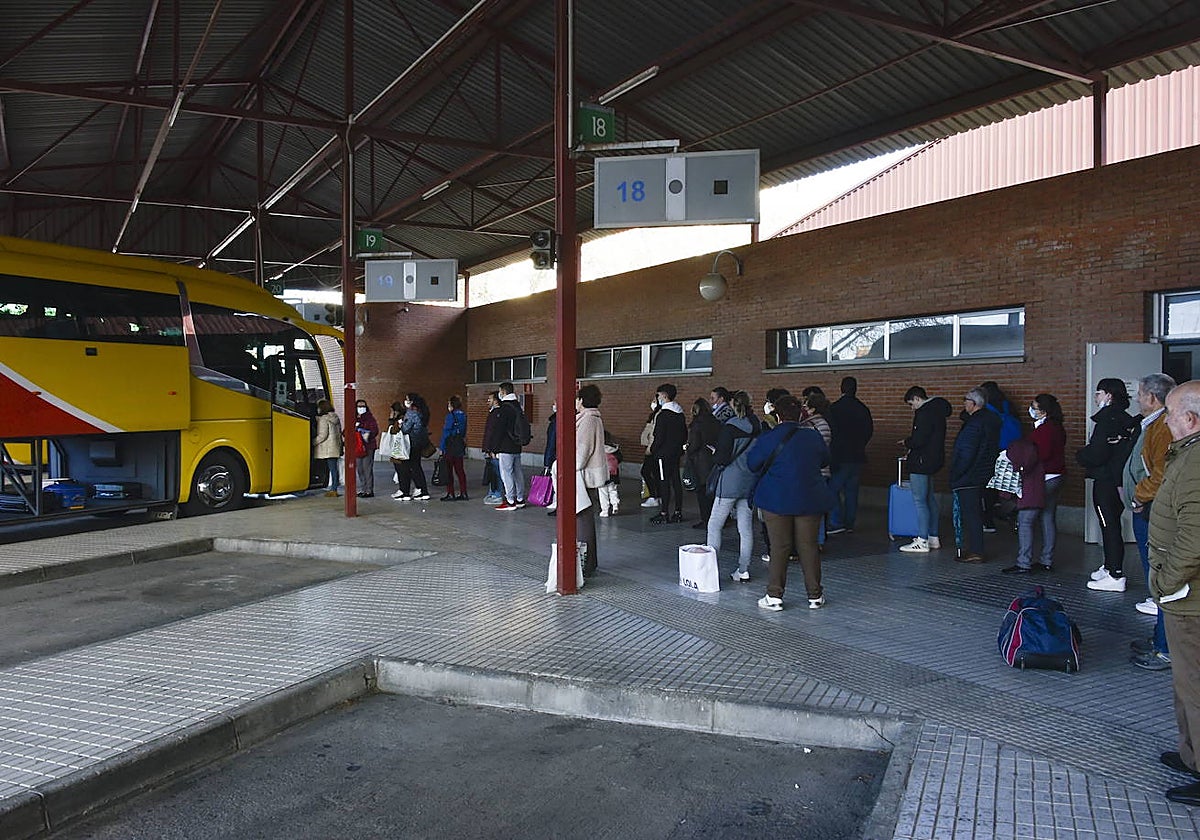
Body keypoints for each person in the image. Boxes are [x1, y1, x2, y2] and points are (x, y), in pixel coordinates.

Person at [1146, 380, 1200, 807]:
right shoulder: (1188, 454)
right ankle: (1191, 755)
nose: (1165, 420)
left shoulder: (1197, 461)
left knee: (1197, 686)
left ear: (1191, 419)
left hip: (1190, 597)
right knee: (1185, 683)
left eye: (1170, 413)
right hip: (1182, 596)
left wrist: (1167, 581)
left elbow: (1195, 537)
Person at [748, 395, 834, 612]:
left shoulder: (769, 438)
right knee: (809, 547)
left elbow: (753, 464)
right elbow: (824, 460)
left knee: (780, 547)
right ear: (800, 415)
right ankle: (815, 595)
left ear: (777, 415)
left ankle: (774, 595)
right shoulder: (813, 437)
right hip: (809, 498)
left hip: (776, 499)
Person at [1125, 373, 1176, 670]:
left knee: (1161, 578)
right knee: (1155, 580)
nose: (1137, 398)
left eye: (1141, 393)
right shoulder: (1154, 425)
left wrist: (1139, 497)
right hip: (1149, 507)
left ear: (1152, 398)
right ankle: (1161, 639)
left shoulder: (1164, 428)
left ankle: (1166, 646)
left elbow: (1160, 473)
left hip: (1153, 509)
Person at [1077, 378, 1141, 592]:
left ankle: (1115, 575)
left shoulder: (1107, 420)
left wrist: (1081, 455)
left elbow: (1098, 453)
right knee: (1111, 524)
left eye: (1098, 392)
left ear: (1109, 395)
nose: (1096, 397)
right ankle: (1109, 566)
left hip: (1106, 480)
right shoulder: (1125, 419)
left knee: (1109, 525)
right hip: (1118, 479)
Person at [1001, 394, 1066, 574]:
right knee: (1047, 518)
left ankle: (1024, 562)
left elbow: (1040, 455)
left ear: (1043, 411)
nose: (1032, 410)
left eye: (1034, 407)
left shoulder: (1044, 430)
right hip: (1057, 476)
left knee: (1026, 519)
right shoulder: (1057, 427)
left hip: (1042, 478)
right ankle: (1047, 560)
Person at [708, 390, 760, 582]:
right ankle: (743, 569)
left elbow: (722, 457)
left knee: (714, 525)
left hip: (729, 482)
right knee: (745, 528)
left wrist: (714, 453)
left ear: (732, 405)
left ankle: (709, 570)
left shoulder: (729, 427)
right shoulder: (757, 425)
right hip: (750, 481)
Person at [949, 388, 1001, 563]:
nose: (964, 403)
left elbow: (966, 452)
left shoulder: (974, 424)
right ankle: (975, 548)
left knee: (971, 513)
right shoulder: (991, 420)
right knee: (976, 512)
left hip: (970, 475)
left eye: (965, 400)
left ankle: (976, 550)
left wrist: (956, 472)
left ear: (973, 403)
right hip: (984, 471)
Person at [900, 386, 952, 553]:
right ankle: (932, 537)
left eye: (911, 404)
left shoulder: (924, 413)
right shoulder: (938, 411)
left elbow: (919, 439)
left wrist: (907, 442)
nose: (912, 408)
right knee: (930, 499)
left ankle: (922, 540)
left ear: (917, 399)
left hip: (921, 461)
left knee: (919, 500)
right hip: (933, 460)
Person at [827, 376, 873, 534]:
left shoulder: (835, 408)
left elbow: (832, 433)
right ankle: (849, 523)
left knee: (832, 489)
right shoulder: (862, 408)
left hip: (840, 457)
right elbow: (869, 431)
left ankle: (836, 521)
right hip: (858, 455)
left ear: (841, 388)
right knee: (851, 491)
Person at [979, 381, 1023, 531]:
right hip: (1012, 451)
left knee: (989, 485)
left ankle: (989, 520)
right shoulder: (1007, 405)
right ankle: (1011, 514)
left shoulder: (986, 408)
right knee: (1010, 485)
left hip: (993, 450)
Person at [575, 384, 608, 577]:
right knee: (584, 518)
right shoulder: (591, 418)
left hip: (584, 476)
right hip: (587, 475)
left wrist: (572, 465)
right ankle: (589, 560)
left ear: (582, 400)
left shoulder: (588, 420)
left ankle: (587, 562)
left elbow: (583, 449)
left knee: (583, 519)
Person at [648, 383, 687, 525]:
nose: (657, 398)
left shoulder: (663, 415)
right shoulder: (680, 413)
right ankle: (678, 511)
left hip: (663, 454)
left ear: (664, 396)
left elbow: (659, 436)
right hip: (676, 453)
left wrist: (653, 449)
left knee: (664, 482)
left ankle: (664, 512)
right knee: (676, 481)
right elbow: (684, 434)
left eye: (658, 395)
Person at [686, 398, 721, 530]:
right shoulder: (716, 422)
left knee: (702, 493)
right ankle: (715, 519)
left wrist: (688, 450)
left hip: (700, 462)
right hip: (713, 460)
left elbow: (694, 444)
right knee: (713, 492)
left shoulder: (697, 424)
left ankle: (706, 520)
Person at [392, 394, 432, 502]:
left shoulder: (411, 413)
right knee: (416, 467)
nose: (405, 402)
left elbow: (405, 429)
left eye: (407, 400)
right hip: (419, 444)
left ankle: (405, 492)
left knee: (406, 468)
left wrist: (400, 423)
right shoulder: (422, 413)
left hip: (410, 444)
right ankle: (423, 491)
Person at [494, 381, 527, 511]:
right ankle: (520, 499)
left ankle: (510, 500)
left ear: (503, 391)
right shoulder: (517, 406)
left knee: (506, 473)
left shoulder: (504, 408)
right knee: (518, 472)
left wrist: (494, 447)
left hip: (505, 445)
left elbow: (499, 430)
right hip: (517, 444)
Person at [438, 395, 469, 501]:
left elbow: (446, 432)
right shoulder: (463, 416)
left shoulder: (450, 416)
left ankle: (451, 493)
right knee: (460, 470)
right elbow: (464, 431)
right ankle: (463, 492)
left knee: (449, 470)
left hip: (449, 446)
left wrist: (442, 447)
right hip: (459, 445)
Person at [312, 399, 343, 497]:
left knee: (331, 468)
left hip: (327, 448)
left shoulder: (324, 419)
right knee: (334, 468)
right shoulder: (335, 417)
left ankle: (333, 489)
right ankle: (334, 487)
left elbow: (323, 435)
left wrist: (313, 442)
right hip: (334, 447)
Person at [481, 391, 505, 504]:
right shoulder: (493, 413)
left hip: (495, 450)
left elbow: (494, 433)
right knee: (492, 472)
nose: (488, 401)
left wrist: (491, 449)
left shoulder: (497, 414)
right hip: (492, 449)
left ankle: (497, 494)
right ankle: (492, 492)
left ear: (496, 400)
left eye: (490, 399)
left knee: (496, 472)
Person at [354, 399, 380, 498]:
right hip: (357, 447)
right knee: (360, 469)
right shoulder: (353, 418)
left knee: (367, 468)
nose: (361, 408)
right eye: (359, 406)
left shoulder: (370, 418)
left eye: (363, 406)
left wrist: (364, 432)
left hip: (368, 446)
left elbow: (375, 431)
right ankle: (363, 488)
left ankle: (369, 490)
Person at [640, 397, 661, 508]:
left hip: (652, 449)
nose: (652, 402)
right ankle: (658, 495)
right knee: (655, 472)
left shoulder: (658, 414)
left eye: (654, 400)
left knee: (646, 471)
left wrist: (650, 448)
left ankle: (654, 496)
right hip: (652, 447)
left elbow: (653, 433)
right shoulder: (655, 414)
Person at [598, 431, 622, 517]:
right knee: (613, 489)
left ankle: (605, 510)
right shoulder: (614, 448)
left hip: (602, 473)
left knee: (603, 492)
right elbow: (620, 458)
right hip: (614, 473)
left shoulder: (599, 448)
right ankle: (615, 505)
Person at [544, 402, 559, 515]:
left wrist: (547, 461)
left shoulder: (556, 422)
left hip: (556, 456)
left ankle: (557, 502)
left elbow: (551, 442)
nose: (553, 405)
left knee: (557, 481)